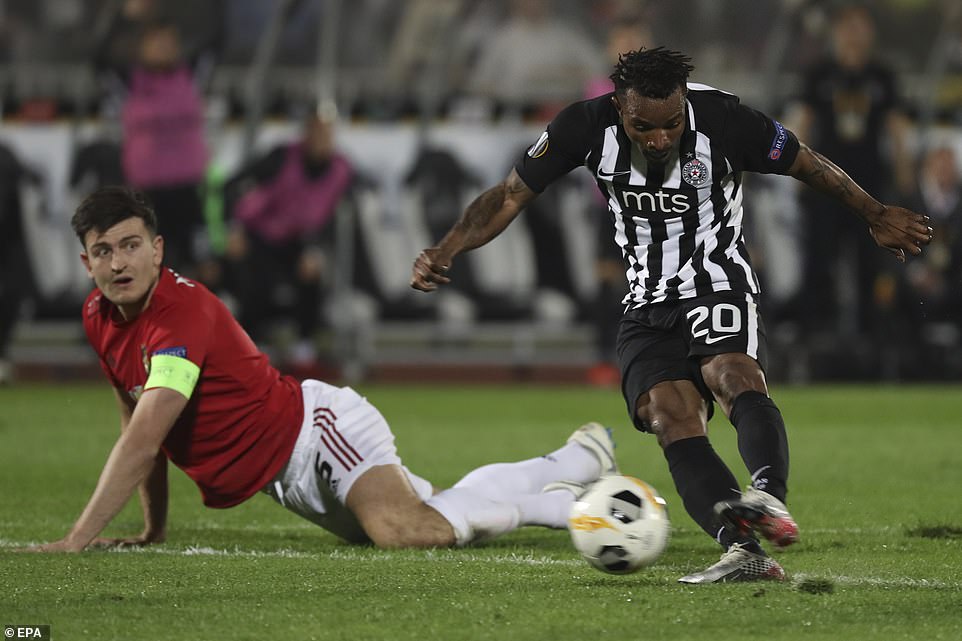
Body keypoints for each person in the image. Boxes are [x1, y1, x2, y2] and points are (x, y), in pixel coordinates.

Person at [411, 47, 932, 583]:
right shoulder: (582, 127)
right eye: (644, 127)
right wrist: (447, 249)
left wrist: (875, 213)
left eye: (671, 124)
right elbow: (509, 195)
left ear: (684, 102)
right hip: (645, 300)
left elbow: (805, 162)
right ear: (619, 106)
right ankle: (743, 552)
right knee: (669, 417)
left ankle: (768, 496)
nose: (660, 139)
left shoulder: (726, 120)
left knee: (730, 373)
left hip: (717, 279)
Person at [22, 186, 617, 553]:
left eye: (130, 245)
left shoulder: (181, 317)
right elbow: (135, 426)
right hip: (288, 475)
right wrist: (152, 529)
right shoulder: (99, 317)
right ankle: (575, 460)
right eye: (103, 251)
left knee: (405, 531)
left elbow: (144, 439)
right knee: (435, 508)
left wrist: (76, 541)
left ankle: (569, 509)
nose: (118, 262)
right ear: (86, 263)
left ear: (157, 249)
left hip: (317, 431)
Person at [788, 4, 915, 341]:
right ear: (835, 34)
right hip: (825, 183)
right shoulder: (820, 74)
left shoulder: (882, 76)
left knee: (870, 260)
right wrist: (795, 174)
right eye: (847, 28)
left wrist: (905, 177)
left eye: (859, 28)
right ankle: (817, 331)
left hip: (869, 185)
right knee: (820, 255)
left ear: (870, 33)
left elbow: (897, 128)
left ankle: (870, 334)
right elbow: (803, 122)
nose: (853, 35)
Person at [222, 111, 353, 372]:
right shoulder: (282, 157)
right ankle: (251, 343)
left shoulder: (341, 170)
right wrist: (234, 228)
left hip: (299, 239)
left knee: (312, 275)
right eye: (317, 132)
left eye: (327, 134)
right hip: (259, 233)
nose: (322, 140)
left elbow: (333, 217)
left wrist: (315, 249)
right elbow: (234, 183)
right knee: (255, 281)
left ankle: (305, 342)